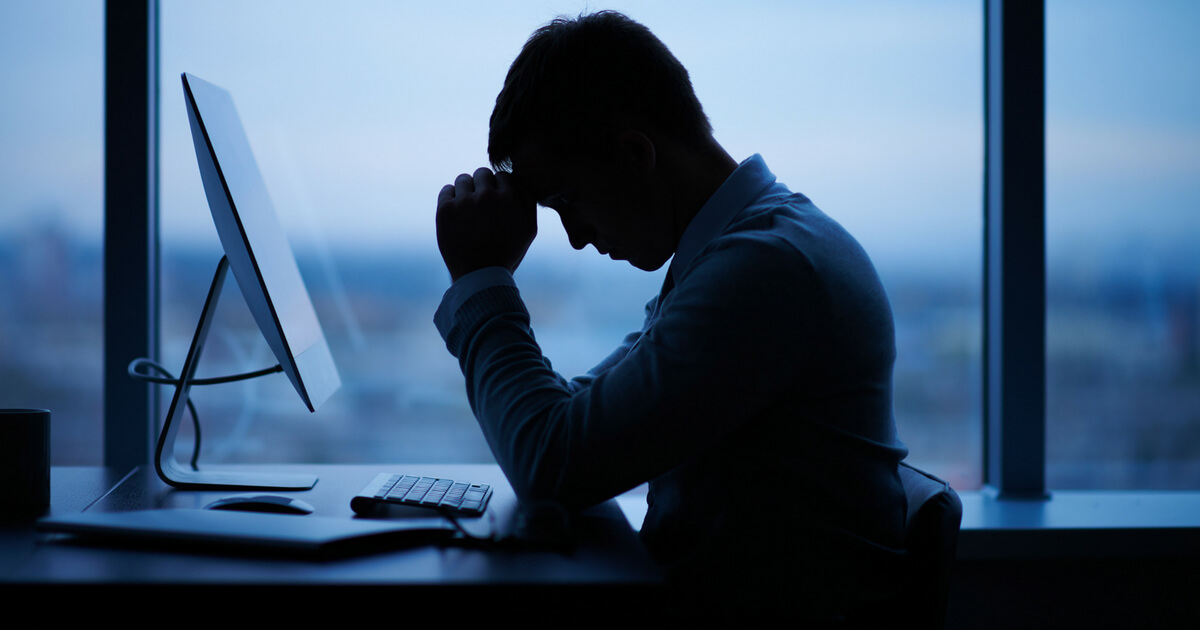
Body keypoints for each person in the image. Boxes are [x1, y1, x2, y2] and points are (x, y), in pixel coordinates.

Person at [433, 10, 909, 622]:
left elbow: (552, 462)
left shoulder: (767, 272)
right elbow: (579, 421)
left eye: (568, 201)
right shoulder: (743, 252)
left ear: (636, 153)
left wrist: (480, 278)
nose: (575, 237)